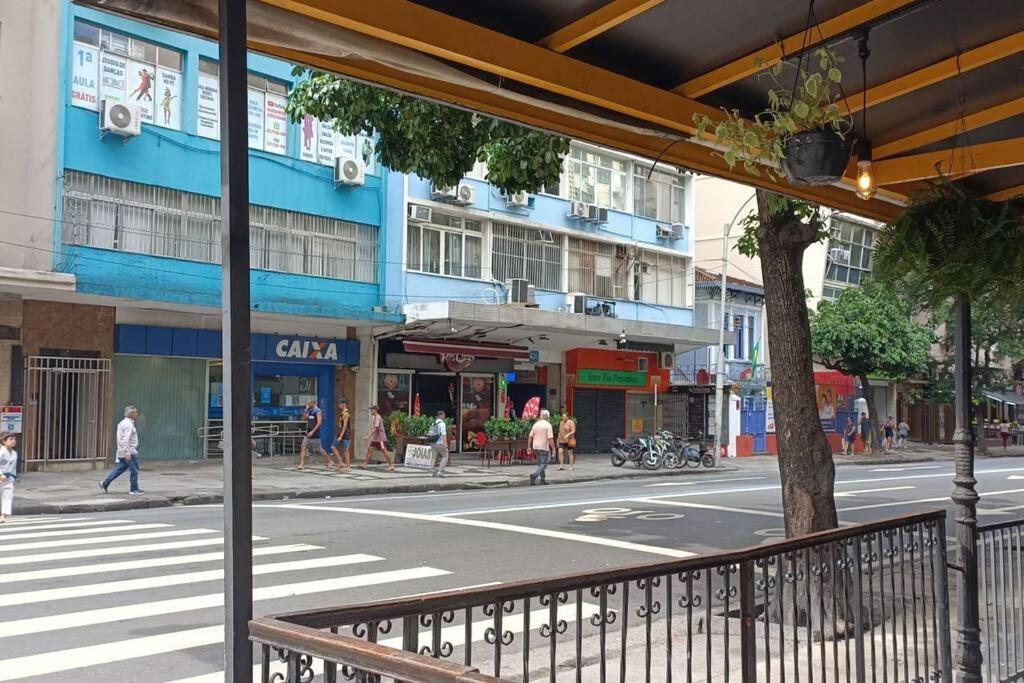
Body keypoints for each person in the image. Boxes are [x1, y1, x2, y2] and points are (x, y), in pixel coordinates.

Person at [101, 405, 143, 495]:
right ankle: (134, 489)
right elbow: (125, 439)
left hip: (122, 451)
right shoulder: (128, 425)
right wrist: (127, 451)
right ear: (132, 413)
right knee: (134, 470)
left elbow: (122, 439)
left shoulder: (122, 423)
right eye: (135, 412)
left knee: (121, 468)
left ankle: (105, 483)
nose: (137, 414)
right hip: (130, 452)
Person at [297, 399, 337, 470]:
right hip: (307, 433)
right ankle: (302, 464)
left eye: (309, 403)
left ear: (313, 403)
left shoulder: (318, 411)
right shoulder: (309, 410)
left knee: (320, 449)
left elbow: (319, 423)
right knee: (303, 447)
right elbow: (304, 418)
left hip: (315, 433)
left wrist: (312, 431)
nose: (308, 404)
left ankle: (330, 461)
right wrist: (306, 410)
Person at [360, 405, 395, 471]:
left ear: (375, 410)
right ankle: (365, 464)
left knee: (384, 451)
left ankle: (391, 465)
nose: (371, 411)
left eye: (371, 410)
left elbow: (375, 428)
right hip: (375, 439)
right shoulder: (376, 417)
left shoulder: (378, 418)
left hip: (380, 439)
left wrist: (368, 436)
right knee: (369, 450)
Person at [528, 409, 555, 486]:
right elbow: (550, 438)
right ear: (548, 417)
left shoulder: (536, 424)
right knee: (544, 463)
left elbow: (530, 436)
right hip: (543, 447)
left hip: (536, 446)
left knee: (540, 464)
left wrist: (529, 447)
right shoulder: (548, 425)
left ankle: (542, 479)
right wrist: (553, 448)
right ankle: (535, 475)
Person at [0, 432, 18, 523]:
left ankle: (3, 515)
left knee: (7, 496)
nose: (13, 441)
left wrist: (14, 478)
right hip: (1, 476)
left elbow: (13, 467)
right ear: (4, 441)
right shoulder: (1, 451)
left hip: (8, 478)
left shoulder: (14, 453)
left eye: (14, 439)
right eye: (10, 439)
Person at [331, 399, 353, 472]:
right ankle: (341, 462)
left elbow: (345, 426)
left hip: (345, 434)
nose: (339, 405)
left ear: (344, 404)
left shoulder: (346, 413)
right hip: (340, 433)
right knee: (333, 447)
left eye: (340, 404)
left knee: (346, 449)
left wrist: (341, 436)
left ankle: (348, 466)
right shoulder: (342, 413)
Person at [428, 410, 450, 478]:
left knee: (434, 457)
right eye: (444, 415)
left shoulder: (433, 423)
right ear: (441, 415)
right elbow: (444, 435)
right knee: (445, 456)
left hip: (432, 442)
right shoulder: (442, 424)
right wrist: (445, 445)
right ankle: (441, 471)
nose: (444, 416)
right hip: (440, 443)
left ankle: (432, 470)